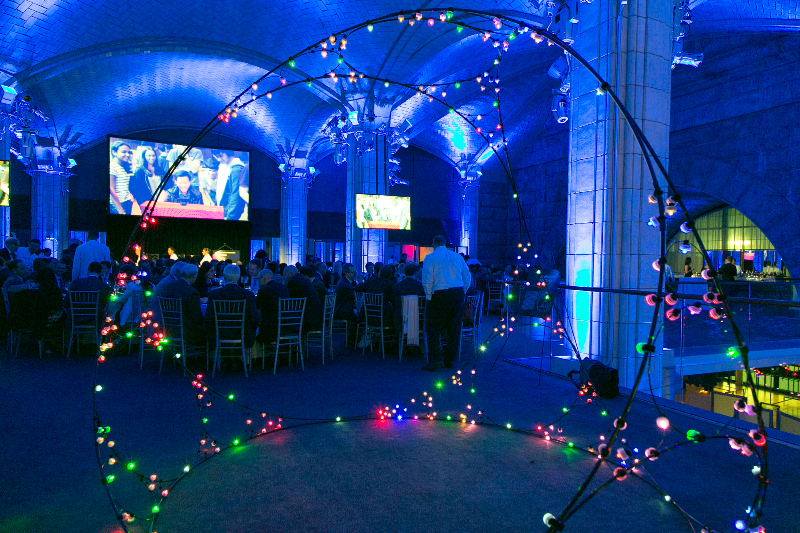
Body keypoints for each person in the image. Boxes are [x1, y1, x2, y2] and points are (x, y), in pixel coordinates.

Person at [421, 235, 471, 371]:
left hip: (440, 294)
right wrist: (463, 290)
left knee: (433, 327)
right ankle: (450, 360)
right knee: (454, 328)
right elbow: (467, 275)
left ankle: (435, 360)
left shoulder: (430, 258)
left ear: (434, 244)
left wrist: (428, 296)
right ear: (445, 243)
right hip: (457, 293)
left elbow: (427, 278)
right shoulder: (457, 256)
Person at [205, 263, 259, 349]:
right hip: (242, 334)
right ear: (238, 277)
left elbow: (208, 318)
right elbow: (254, 318)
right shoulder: (247, 295)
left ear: (224, 276)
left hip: (219, 334)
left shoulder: (214, 294)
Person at [160, 263, 206, 346]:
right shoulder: (191, 292)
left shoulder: (166, 287)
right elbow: (196, 317)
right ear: (194, 276)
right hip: (186, 330)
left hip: (168, 327)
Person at [255, 268, 289, 346]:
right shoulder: (283, 287)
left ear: (263, 279)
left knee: (252, 331)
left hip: (272, 330)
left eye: (258, 279)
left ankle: (261, 352)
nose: (258, 282)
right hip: (288, 326)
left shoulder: (264, 290)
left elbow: (256, 307)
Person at [391, 262, 426, 335]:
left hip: (400, 318)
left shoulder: (396, 286)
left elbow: (393, 303)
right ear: (415, 273)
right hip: (417, 318)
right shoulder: (420, 286)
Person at [287, 264, 322, 332]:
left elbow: (288, 297)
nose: (284, 277)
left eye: (285, 275)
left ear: (291, 273)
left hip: (307, 321)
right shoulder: (304, 279)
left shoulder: (294, 281)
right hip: (315, 317)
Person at [213, 151, 247, 221]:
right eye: (216, 156)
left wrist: (230, 216)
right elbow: (219, 189)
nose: (218, 159)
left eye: (220, 155)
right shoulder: (222, 165)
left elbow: (235, 195)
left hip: (229, 211)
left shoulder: (236, 169)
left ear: (228, 153)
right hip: (223, 207)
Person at [109, 140, 140, 215]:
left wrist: (129, 194)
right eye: (123, 152)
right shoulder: (112, 166)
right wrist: (121, 211)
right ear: (114, 152)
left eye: (129, 152)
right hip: (118, 205)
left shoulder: (121, 166)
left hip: (126, 202)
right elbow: (111, 191)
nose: (127, 155)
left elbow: (122, 185)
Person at [334, 263, 359, 346]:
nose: (355, 274)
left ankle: (354, 340)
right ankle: (352, 340)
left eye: (355, 272)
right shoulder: (345, 285)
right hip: (342, 311)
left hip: (342, 308)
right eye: (353, 272)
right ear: (346, 273)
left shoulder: (344, 281)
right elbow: (355, 296)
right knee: (359, 318)